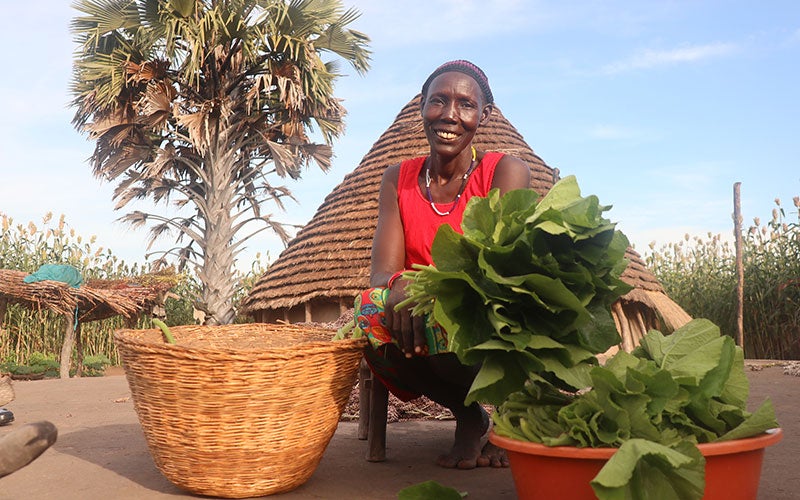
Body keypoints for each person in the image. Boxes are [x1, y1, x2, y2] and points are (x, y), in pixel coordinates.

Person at [355, 60, 531, 469]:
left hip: (488, 312)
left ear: (483, 116)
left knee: (438, 313)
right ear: (421, 108)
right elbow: (382, 271)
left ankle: (512, 419)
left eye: (465, 104)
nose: (450, 115)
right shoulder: (397, 178)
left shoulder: (505, 171)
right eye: (438, 101)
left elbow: (499, 267)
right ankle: (469, 414)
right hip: (414, 313)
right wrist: (399, 286)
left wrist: (431, 293)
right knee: (370, 309)